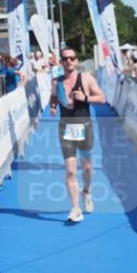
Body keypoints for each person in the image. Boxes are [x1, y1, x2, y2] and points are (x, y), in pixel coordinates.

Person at [49, 47, 106, 223]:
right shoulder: (56, 82)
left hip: (84, 127)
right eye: (65, 58)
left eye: (72, 58)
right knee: (71, 170)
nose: (69, 61)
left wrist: (85, 98)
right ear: (61, 61)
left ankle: (86, 191)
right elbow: (53, 97)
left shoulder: (86, 78)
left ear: (76, 60)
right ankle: (75, 207)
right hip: (65, 128)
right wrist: (53, 106)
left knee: (87, 168)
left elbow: (102, 98)